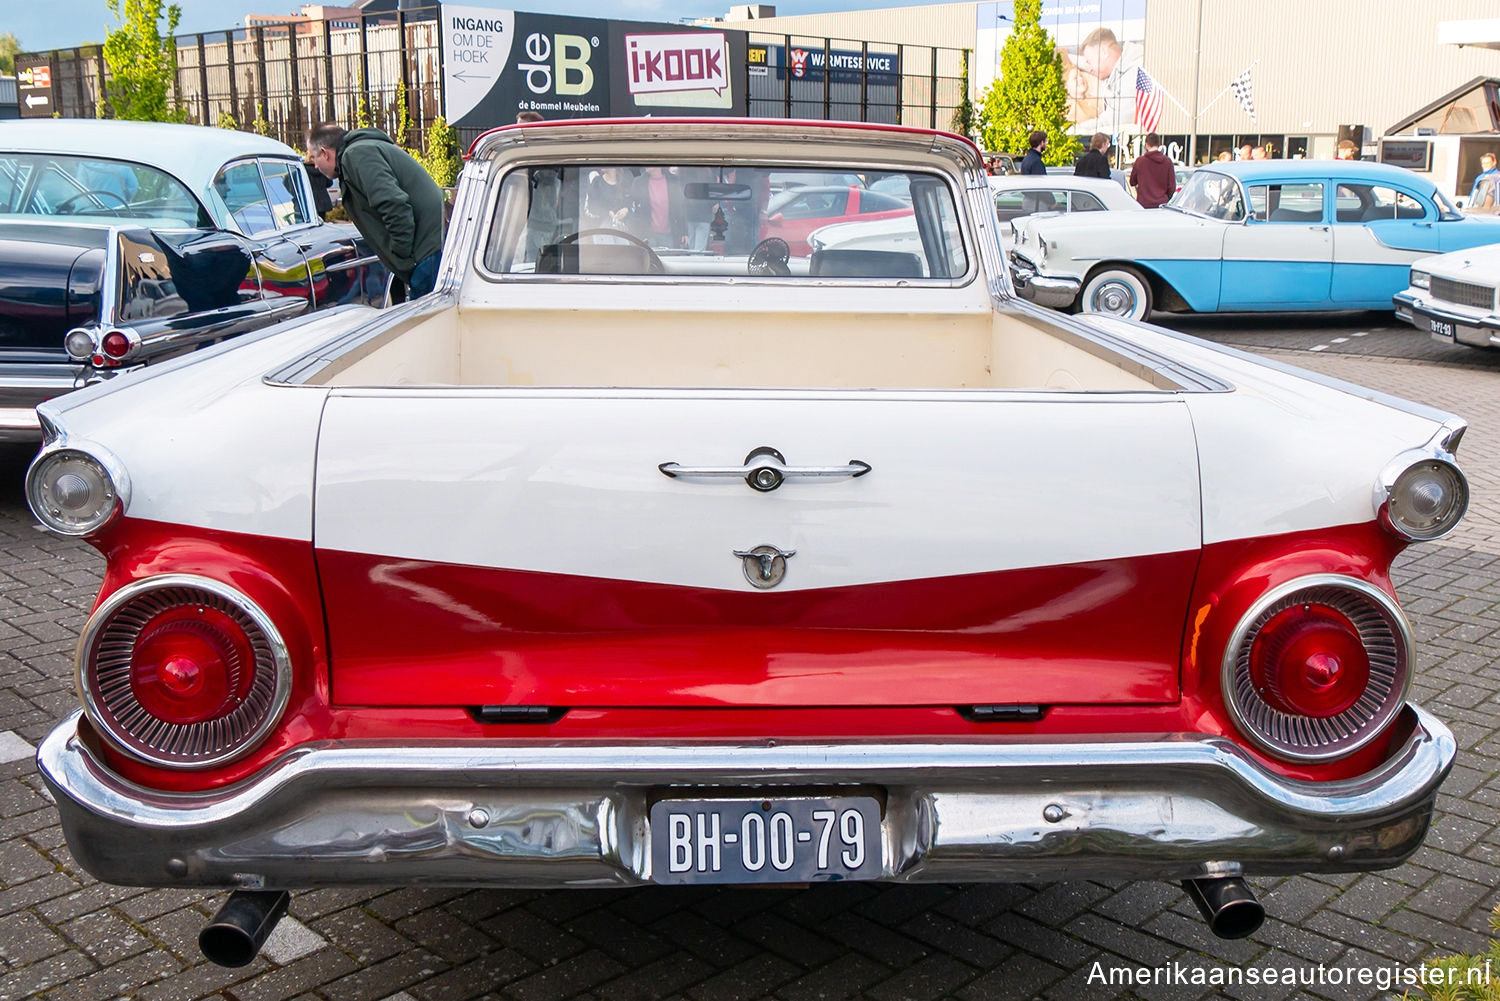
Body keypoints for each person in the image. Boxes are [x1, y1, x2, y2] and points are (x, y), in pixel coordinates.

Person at [307, 122, 446, 298]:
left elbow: (394, 204)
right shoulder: (363, 149)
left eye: (314, 158)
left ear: (325, 153)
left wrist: (401, 254)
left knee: (425, 322)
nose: (315, 167)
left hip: (425, 254)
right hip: (430, 248)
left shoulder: (356, 155)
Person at [1129, 132, 1175, 208]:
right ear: (1158, 144)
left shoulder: (1140, 161)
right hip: (1161, 204)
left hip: (1143, 204)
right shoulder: (1168, 162)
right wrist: (1166, 198)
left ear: (1146, 145)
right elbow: (1171, 187)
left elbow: (1132, 182)